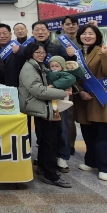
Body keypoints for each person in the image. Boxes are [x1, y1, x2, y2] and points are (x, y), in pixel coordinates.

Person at [70, 25, 107, 181]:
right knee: (88, 132)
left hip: (101, 98)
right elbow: (74, 77)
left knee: (103, 133)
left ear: (97, 36)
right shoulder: (77, 54)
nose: (87, 36)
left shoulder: (102, 51)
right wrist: (79, 91)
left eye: (91, 33)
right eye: (84, 33)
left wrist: (106, 55)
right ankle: (91, 161)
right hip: (84, 99)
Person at [19, 43, 72, 188]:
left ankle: (43, 168)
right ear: (30, 53)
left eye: (43, 52)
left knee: (46, 140)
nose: (41, 55)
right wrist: (62, 93)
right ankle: (51, 175)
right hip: (39, 106)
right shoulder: (29, 68)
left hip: (43, 106)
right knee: (49, 141)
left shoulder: (38, 66)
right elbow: (39, 91)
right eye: (38, 52)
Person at [31, 20, 76, 168]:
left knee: (61, 126)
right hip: (39, 94)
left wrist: (72, 57)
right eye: (37, 30)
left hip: (57, 94)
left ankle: (62, 156)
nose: (40, 32)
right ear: (32, 33)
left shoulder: (58, 48)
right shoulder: (30, 49)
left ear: (48, 31)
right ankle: (46, 155)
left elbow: (69, 69)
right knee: (41, 127)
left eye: (43, 29)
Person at [60, 15, 82, 153]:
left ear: (78, 26)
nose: (71, 26)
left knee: (85, 117)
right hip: (68, 83)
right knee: (68, 115)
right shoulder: (57, 42)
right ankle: (70, 144)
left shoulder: (83, 40)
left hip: (85, 81)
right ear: (62, 26)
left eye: (74, 24)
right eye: (68, 24)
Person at [0, 23, 26, 88]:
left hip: (17, 86)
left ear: (10, 34)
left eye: (5, 33)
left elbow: (25, 65)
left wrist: (18, 53)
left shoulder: (21, 48)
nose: (2, 36)